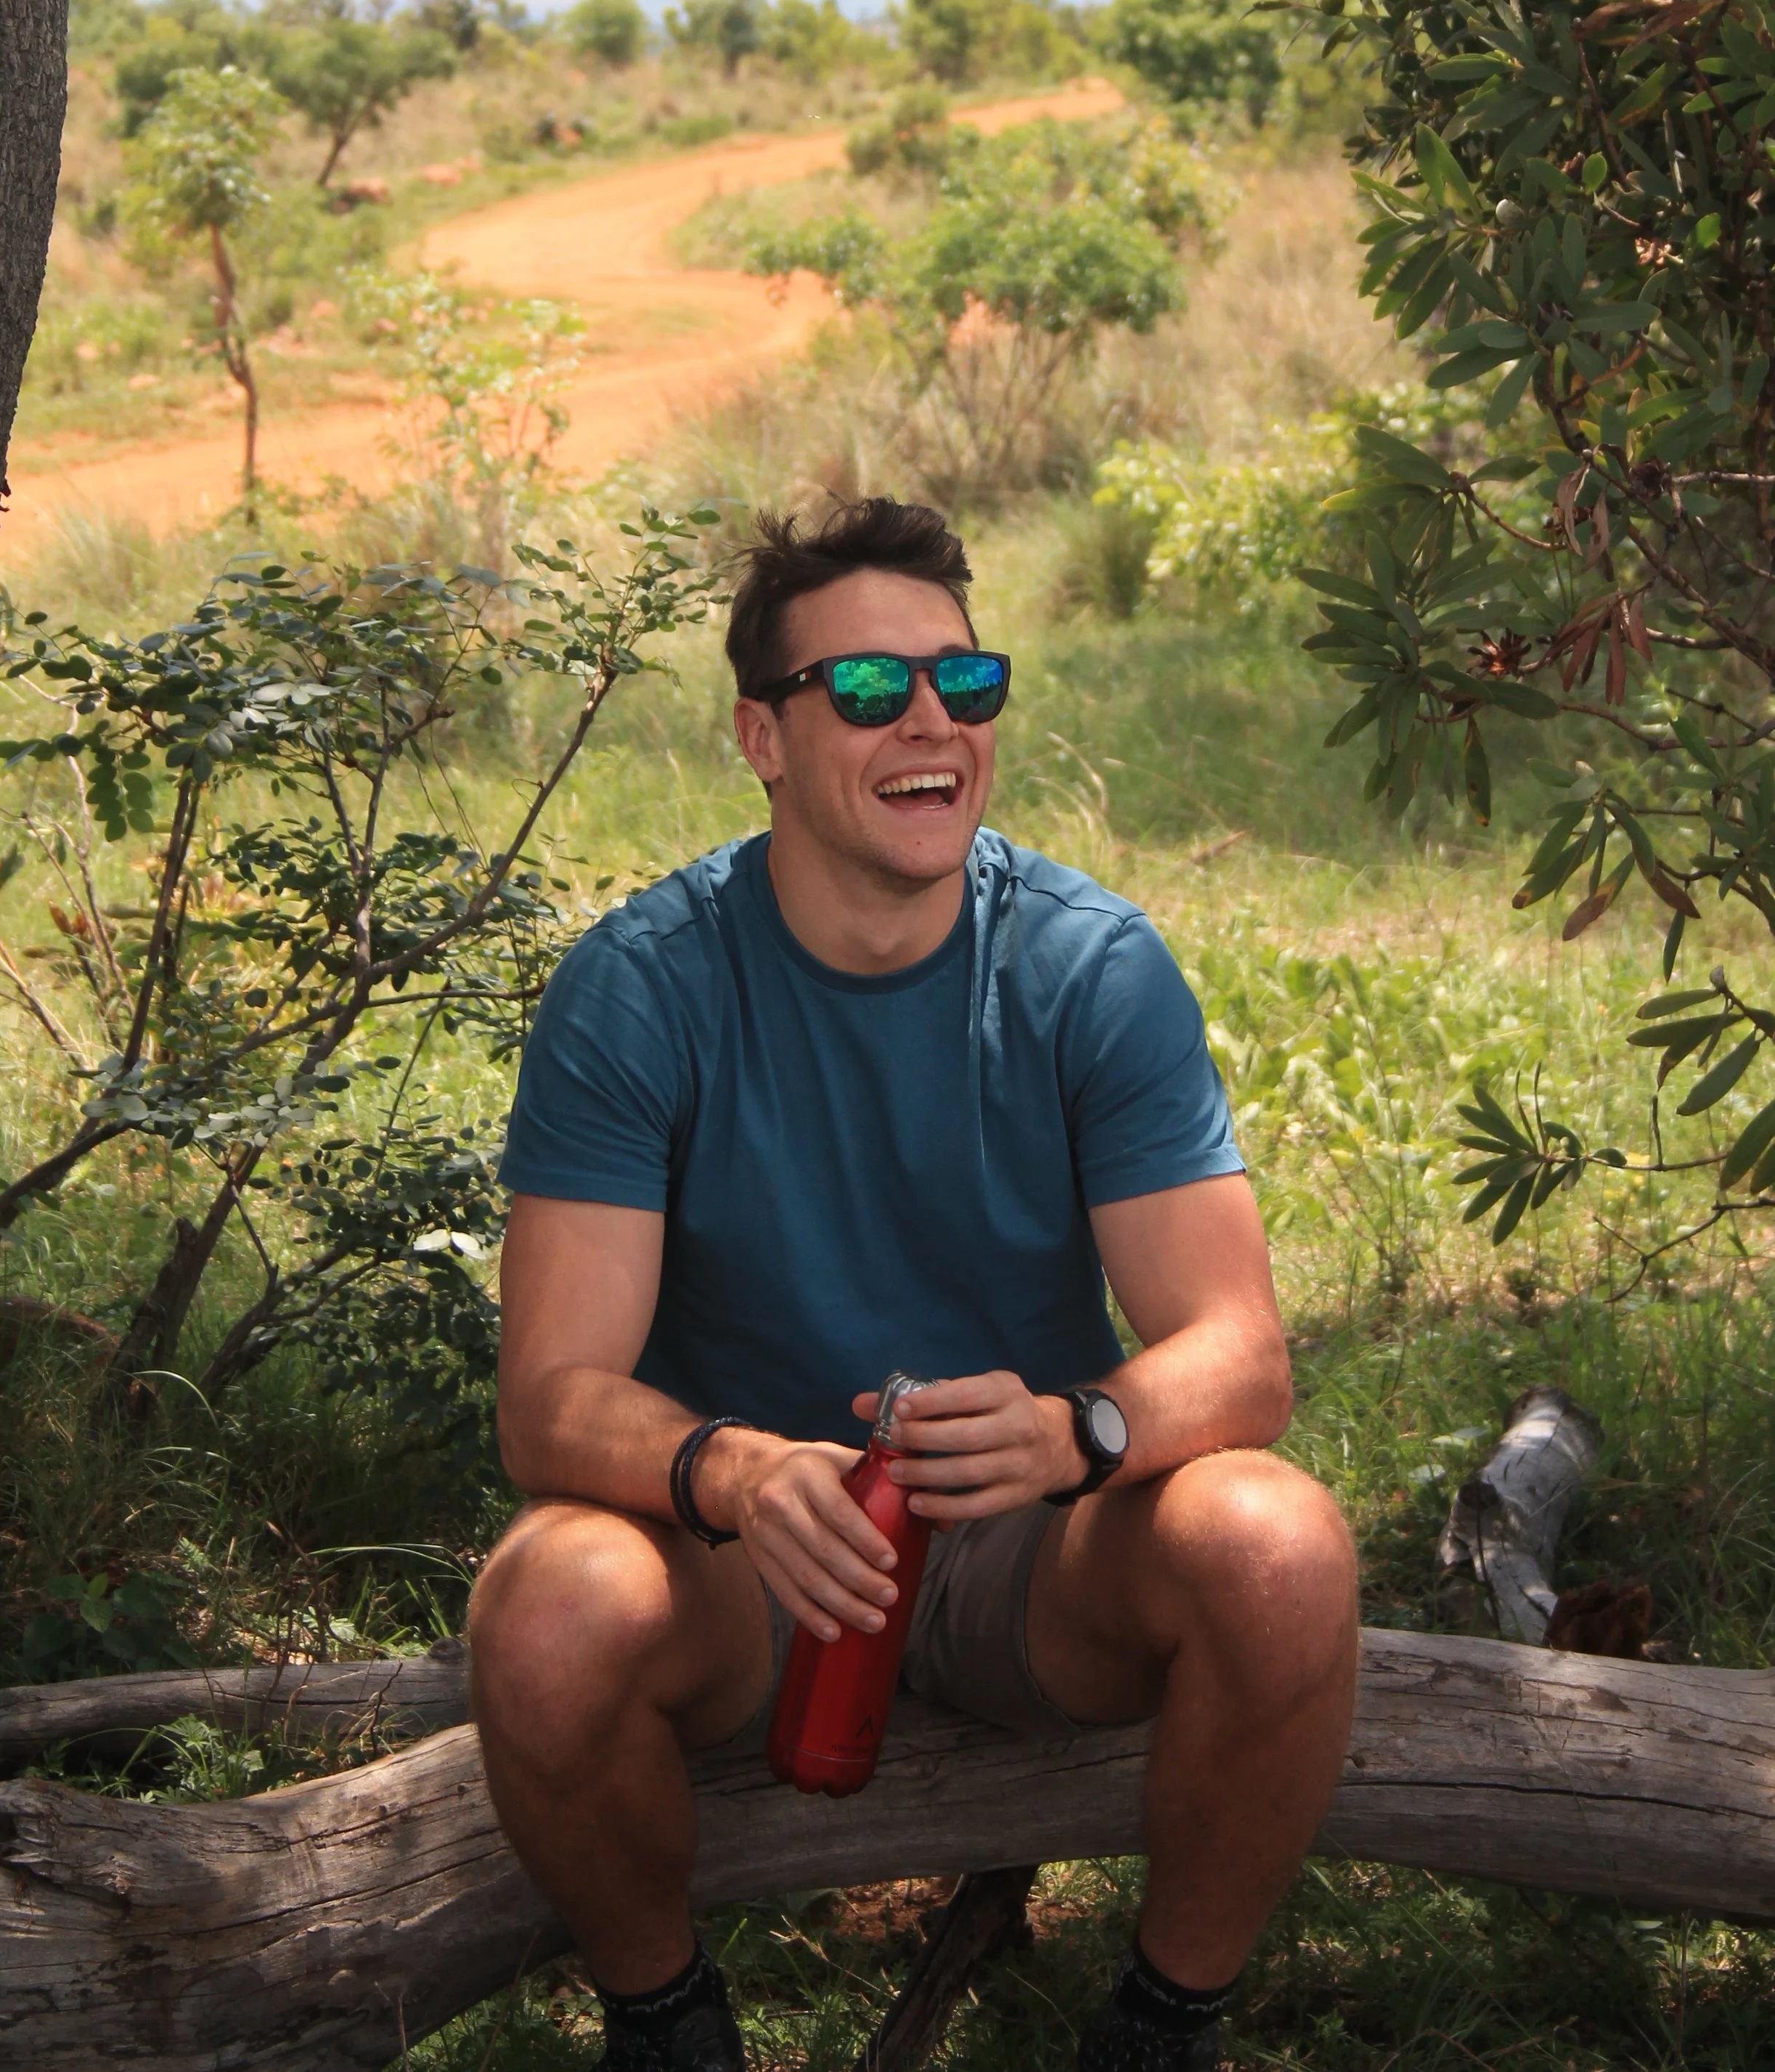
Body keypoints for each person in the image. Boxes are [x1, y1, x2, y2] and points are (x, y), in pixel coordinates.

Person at [470, 497, 1358, 2072]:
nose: (931, 723)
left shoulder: (1087, 968)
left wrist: (1076, 1435)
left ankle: (1163, 2023)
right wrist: (730, 1472)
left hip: (1036, 1556)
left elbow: (1238, 1358)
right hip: (750, 1564)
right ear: (762, 733)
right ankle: (665, 2019)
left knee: (1278, 1548)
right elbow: (547, 1403)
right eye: (869, 692)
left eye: (965, 682)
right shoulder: (639, 988)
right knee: (543, 1610)